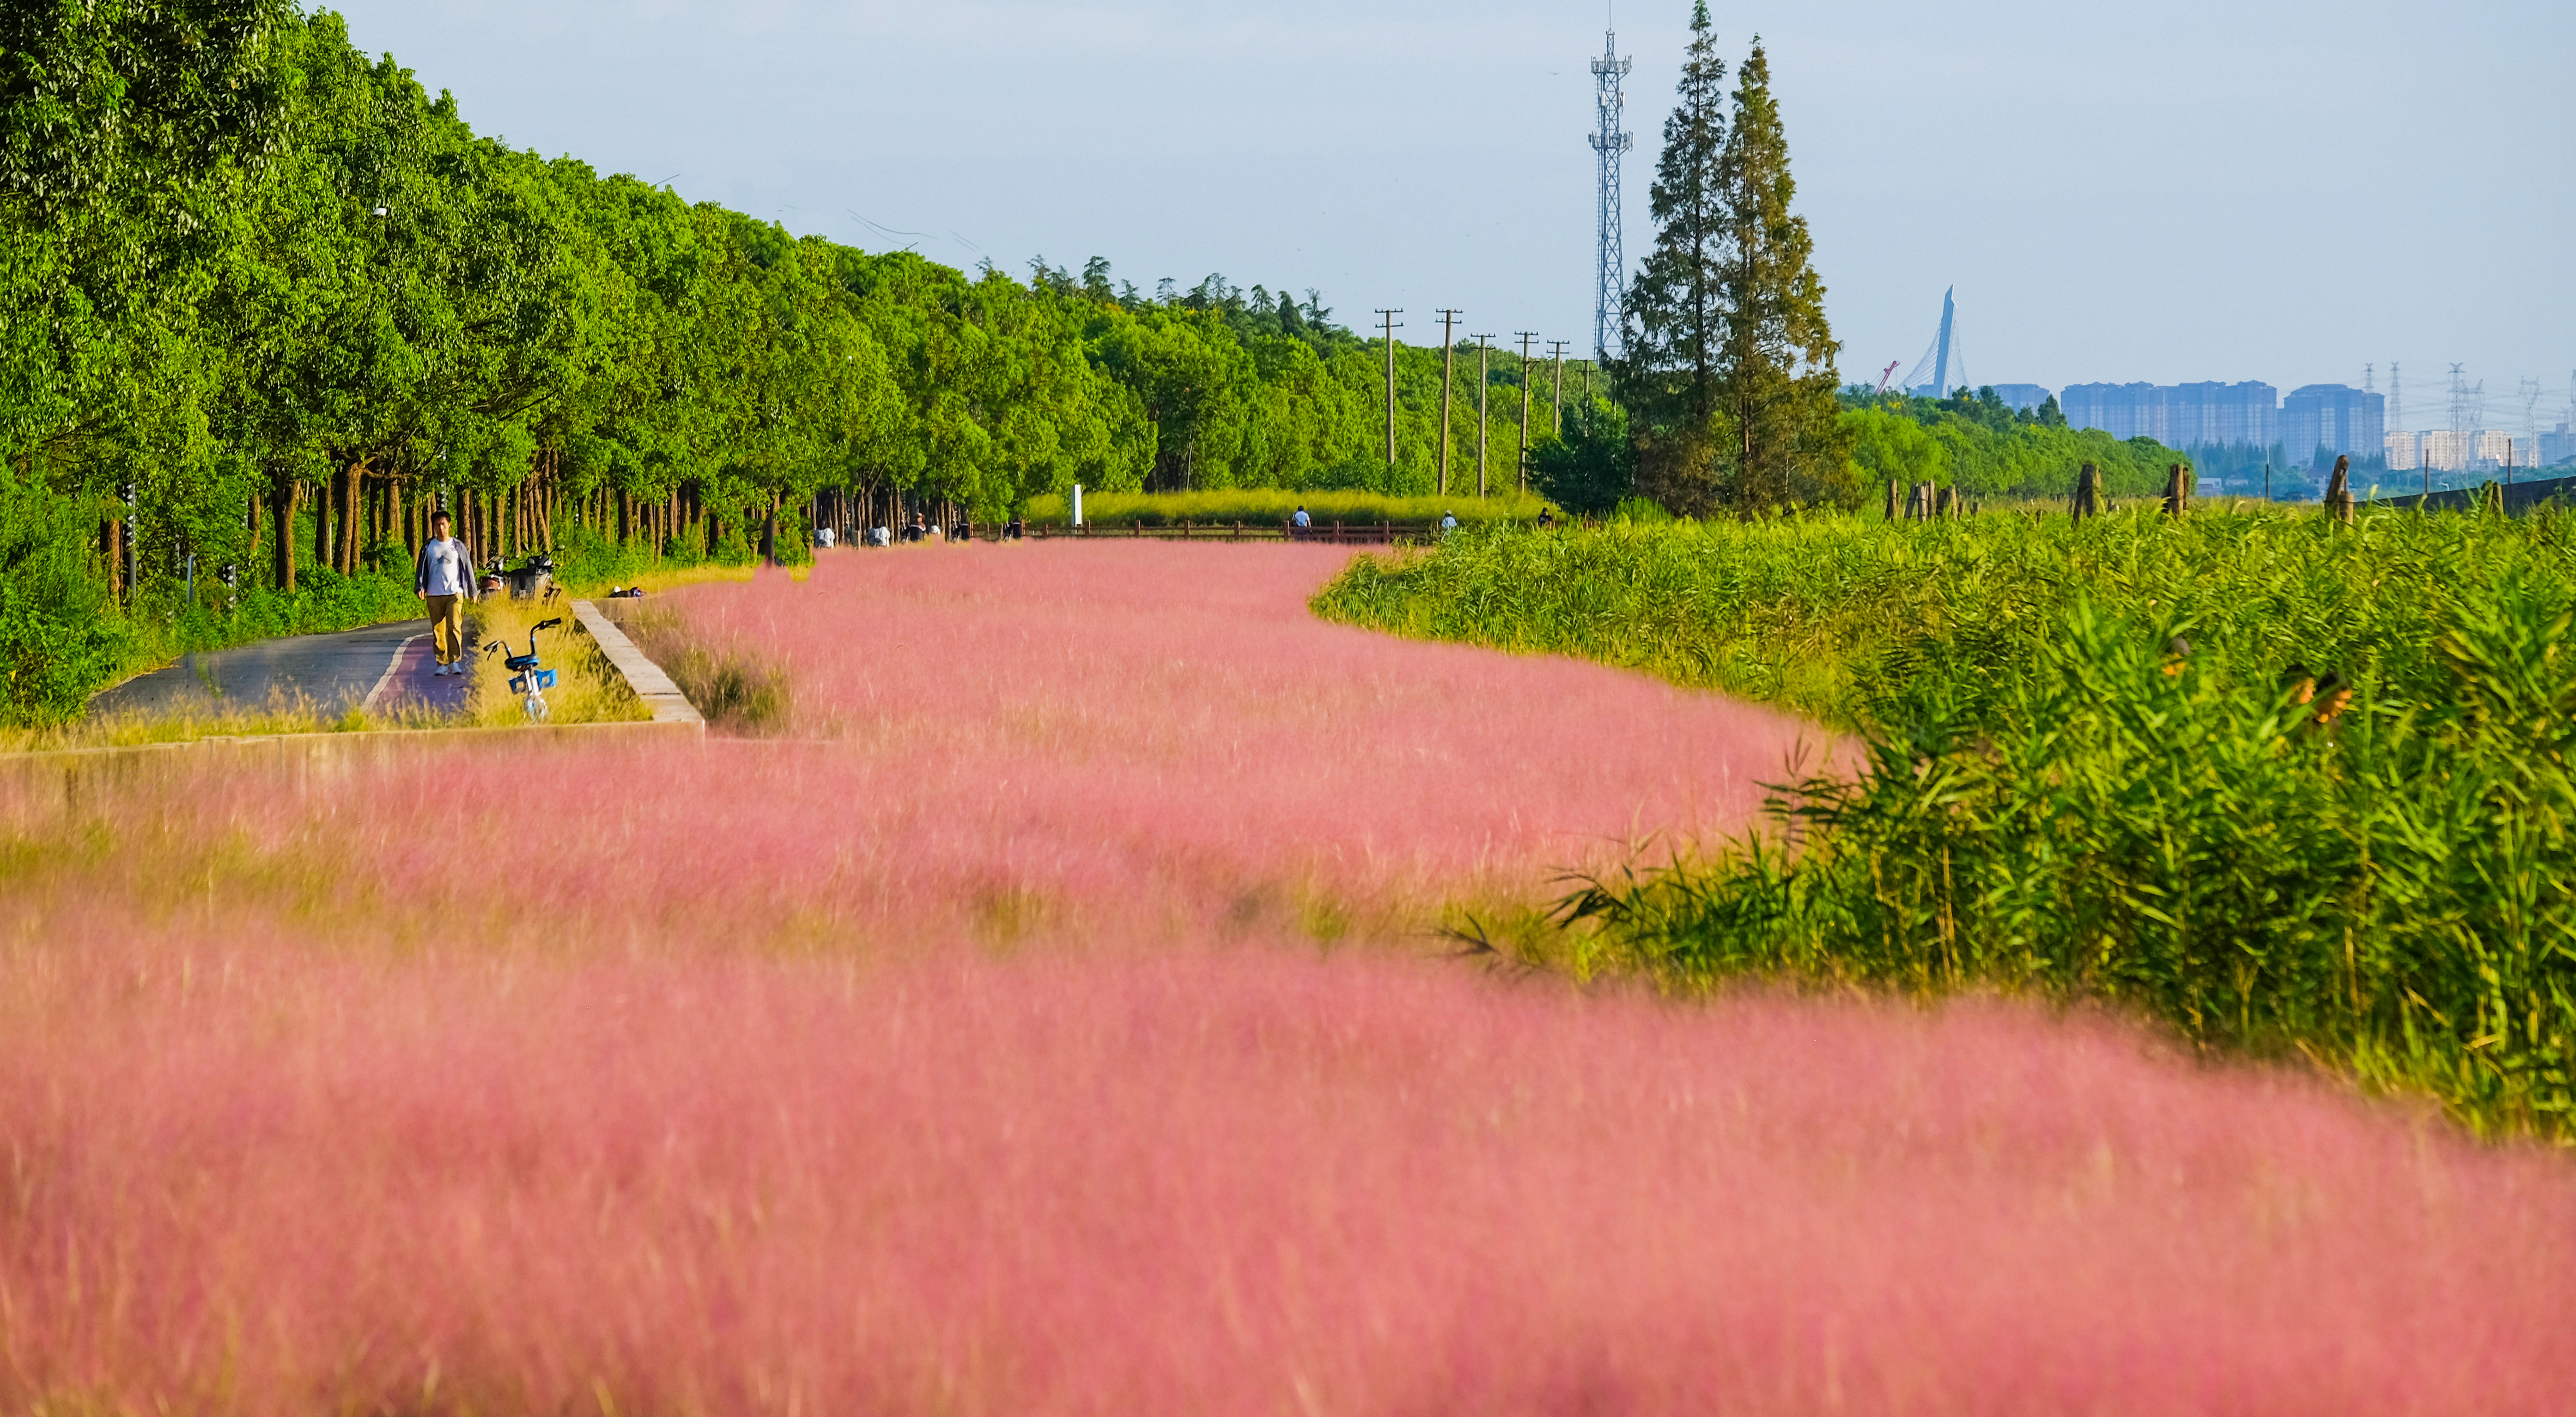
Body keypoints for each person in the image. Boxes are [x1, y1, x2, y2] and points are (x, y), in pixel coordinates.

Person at [414, 510, 476, 676]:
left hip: (455, 593)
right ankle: (442, 662)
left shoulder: (457, 546)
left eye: (443, 524)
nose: (441, 528)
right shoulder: (429, 546)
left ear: (449, 525)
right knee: (438, 630)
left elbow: (467, 568)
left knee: (454, 626)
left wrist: (473, 590)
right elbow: (421, 569)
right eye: (437, 525)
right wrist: (420, 587)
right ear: (433, 527)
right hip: (434, 594)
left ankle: (455, 661)